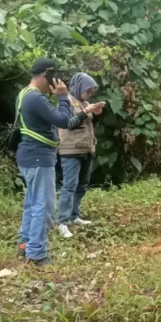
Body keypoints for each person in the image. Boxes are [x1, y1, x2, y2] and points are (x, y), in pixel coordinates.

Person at [15, 59, 100, 266]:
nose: (58, 81)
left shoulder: (24, 94)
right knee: (44, 206)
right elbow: (63, 120)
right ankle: (36, 253)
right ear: (46, 74)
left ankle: (25, 244)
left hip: (29, 155)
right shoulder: (35, 98)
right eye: (55, 76)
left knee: (33, 203)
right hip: (37, 157)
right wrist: (62, 96)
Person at [56, 73, 105, 238]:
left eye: (92, 92)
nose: (89, 94)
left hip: (86, 149)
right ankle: (62, 222)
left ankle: (74, 215)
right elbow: (68, 123)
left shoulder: (84, 103)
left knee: (82, 185)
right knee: (69, 186)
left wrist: (94, 111)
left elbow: (84, 124)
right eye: (87, 91)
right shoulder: (67, 101)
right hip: (71, 150)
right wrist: (85, 112)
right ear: (78, 87)